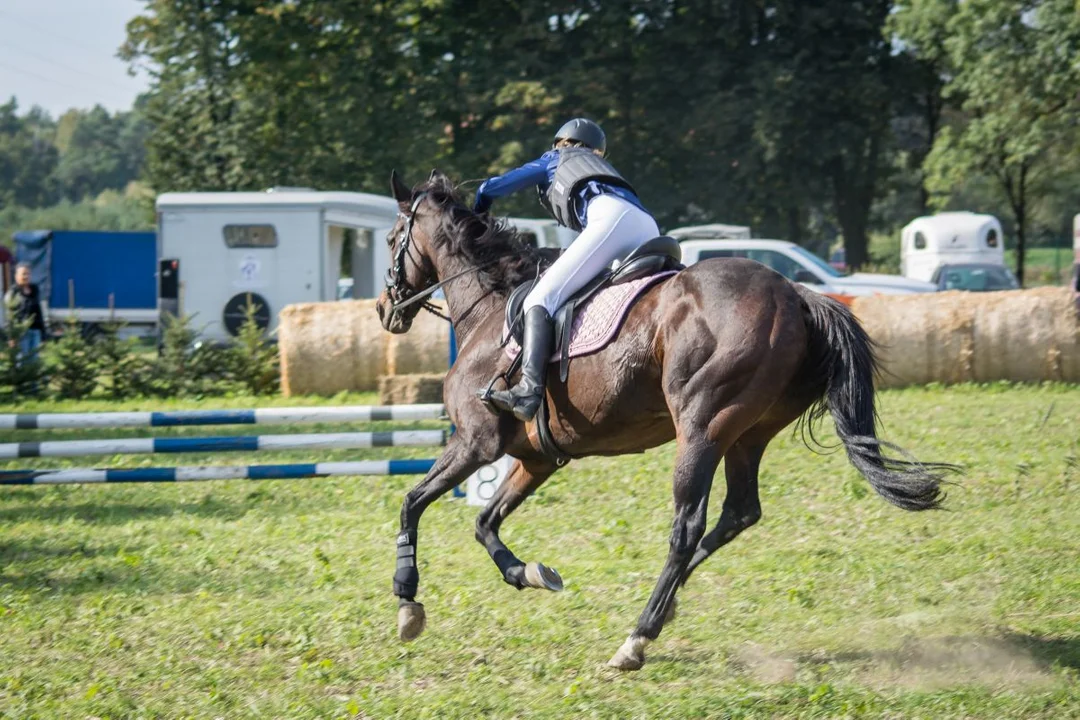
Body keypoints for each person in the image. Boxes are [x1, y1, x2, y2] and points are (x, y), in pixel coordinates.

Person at [473, 118, 659, 421]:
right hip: (648, 225)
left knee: (539, 299)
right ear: (598, 151)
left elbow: (493, 187)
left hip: (610, 219)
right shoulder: (604, 169)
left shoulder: (555, 158)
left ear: (562, 142)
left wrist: (479, 209)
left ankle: (528, 390)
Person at [5, 262, 47, 369]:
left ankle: (34, 386)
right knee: (23, 362)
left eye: (27, 274)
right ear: (16, 276)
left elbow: (39, 312)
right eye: (23, 274)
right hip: (21, 333)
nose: (26, 276)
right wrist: (11, 336)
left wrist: (43, 333)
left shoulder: (34, 290)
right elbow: (10, 317)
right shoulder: (13, 293)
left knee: (34, 362)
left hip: (35, 331)